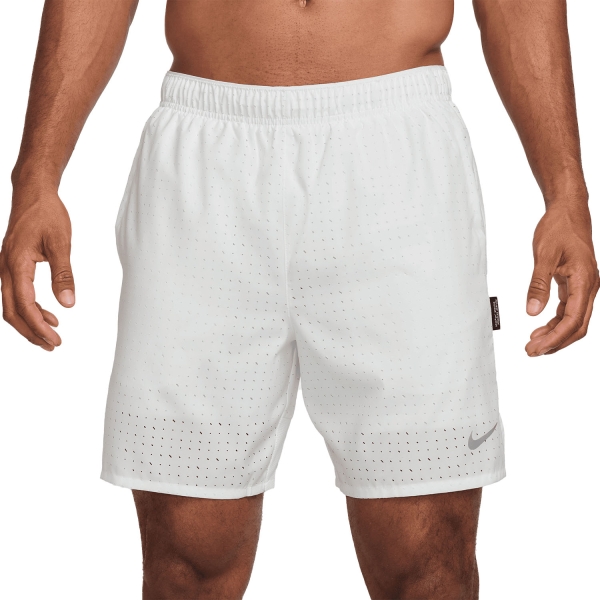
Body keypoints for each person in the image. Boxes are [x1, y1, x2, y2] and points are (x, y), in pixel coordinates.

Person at [1, 1, 598, 598]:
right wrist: (36, 177)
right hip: (205, 165)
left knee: (428, 560)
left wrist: (566, 192)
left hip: (395, 160)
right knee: (185, 562)